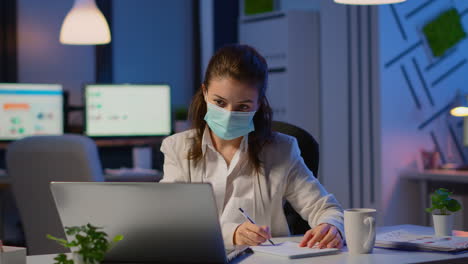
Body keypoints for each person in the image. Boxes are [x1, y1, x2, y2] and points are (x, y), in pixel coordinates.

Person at [160, 44, 344, 250]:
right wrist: (233, 233)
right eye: (220, 102)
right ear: (204, 92)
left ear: (258, 105)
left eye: (243, 107)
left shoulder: (281, 150)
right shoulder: (177, 148)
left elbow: (327, 209)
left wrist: (331, 226)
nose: (229, 114)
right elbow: (172, 220)